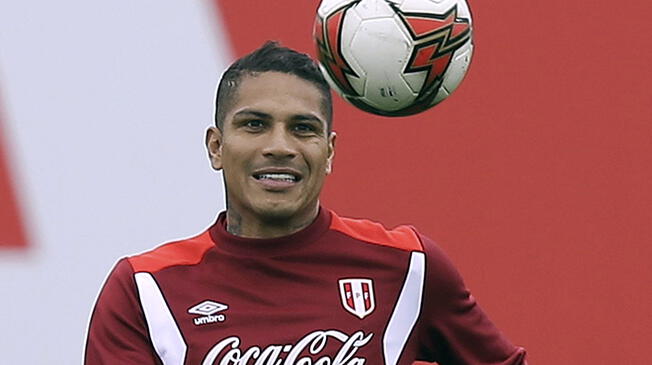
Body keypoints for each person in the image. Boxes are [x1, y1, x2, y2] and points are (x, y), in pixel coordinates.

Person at [84, 41, 527, 365]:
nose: (280, 146)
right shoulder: (145, 289)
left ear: (329, 151)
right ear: (216, 147)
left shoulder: (408, 267)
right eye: (254, 125)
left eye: (302, 128)